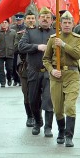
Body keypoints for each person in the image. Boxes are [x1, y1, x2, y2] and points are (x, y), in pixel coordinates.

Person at [42, 11, 80, 147]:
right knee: (58, 109)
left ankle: (69, 136)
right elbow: (46, 59)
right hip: (56, 77)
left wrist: (64, 45)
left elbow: (77, 54)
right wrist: (52, 70)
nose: (66, 25)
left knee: (70, 106)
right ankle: (61, 130)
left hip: (72, 75)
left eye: (69, 23)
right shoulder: (53, 38)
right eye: (64, 23)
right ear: (60, 24)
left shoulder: (78, 39)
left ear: (73, 24)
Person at [19, 7, 54, 135]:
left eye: (48, 18)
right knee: (33, 100)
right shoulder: (30, 33)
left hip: (49, 71)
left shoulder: (56, 33)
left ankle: (48, 127)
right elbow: (21, 46)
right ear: (38, 19)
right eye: (43, 17)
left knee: (49, 99)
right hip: (34, 70)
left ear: (51, 20)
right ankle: (38, 122)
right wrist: (37, 47)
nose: (45, 20)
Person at [16, 11, 37, 127]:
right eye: (28, 18)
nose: (30, 20)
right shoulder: (20, 34)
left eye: (33, 18)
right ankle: (29, 116)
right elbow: (17, 48)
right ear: (25, 20)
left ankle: (37, 115)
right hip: (25, 67)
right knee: (26, 93)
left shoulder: (40, 32)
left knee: (38, 93)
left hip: (38, 66)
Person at [0, 20, 16, 87]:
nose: (4, 24)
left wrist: (14, 49)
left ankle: (9, 78)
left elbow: (15, 41)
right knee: (0, 68)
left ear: (8, 24)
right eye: (2, 22)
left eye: (5, 22)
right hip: (1, 52)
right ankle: (2, 82)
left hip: (10, 52)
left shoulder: (13, 32)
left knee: (9, 68)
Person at [10, 13, 26, 86]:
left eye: (20, 20)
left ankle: (20, 80)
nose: (18, 21)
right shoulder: (13, 28)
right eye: (17, 20)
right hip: (15, 50)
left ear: (23, 20)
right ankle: (15, 79)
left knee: (22, 65)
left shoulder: (26, 28)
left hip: (23, 50)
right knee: (14, 66)